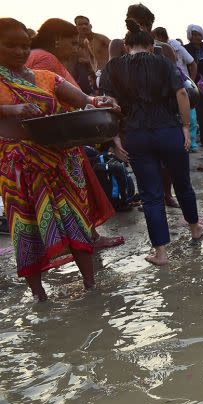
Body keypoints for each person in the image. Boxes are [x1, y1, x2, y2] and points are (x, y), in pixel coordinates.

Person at [0, 17, 120, 300]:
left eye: (24, 45)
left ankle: (91, 287)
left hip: (60, 160)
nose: (19, 51)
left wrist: (100, 102)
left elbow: (84, 101)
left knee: (75, 218)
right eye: (11, 46)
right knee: (26, 227)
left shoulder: (44, 78)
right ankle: (39, 297)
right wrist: (11, 110)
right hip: (19, 166)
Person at [101, 20, 203, 266]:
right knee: (183, 183)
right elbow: (181, 93)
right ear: (150, 46)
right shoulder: (163, 62)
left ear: (126, 46)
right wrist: (186, 128)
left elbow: (108, 103)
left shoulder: (113, 67)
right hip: (169, 130)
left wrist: (115, 138)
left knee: (150, 195)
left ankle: (161, 253)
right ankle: (195, 228)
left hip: (136, 135)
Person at [26, 18, 123, 251]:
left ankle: (81, 238)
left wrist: (95, 101)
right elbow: (56, 99)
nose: (76, 48)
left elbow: (79, 97)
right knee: (78, 190)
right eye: (73, 43)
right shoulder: (45, 59)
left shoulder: (36, 57)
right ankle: (87, 238)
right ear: (57, 41)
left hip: (51, 137)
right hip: (59, 139)